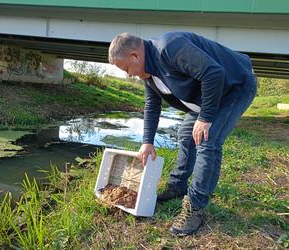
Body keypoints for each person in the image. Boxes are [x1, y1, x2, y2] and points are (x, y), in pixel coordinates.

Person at [108, 31, 257, 236]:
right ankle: (177, 185)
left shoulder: (170, 47)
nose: (128, 74)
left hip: (235, 88)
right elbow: (152, 106)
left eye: (126, 68)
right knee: (186, 134)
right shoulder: (149, 74)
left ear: (135, 55)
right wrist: (147, 142)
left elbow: (213, 72)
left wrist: (205, 118)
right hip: (207, 97)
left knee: (207, 139)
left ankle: (195, 206)